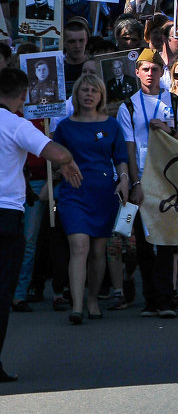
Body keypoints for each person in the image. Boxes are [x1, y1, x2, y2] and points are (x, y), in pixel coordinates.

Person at [0, 67, 83, 381]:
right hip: (6, 214)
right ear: (23, 95)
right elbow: (56, 152)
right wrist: (69, 161)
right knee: (1, 294)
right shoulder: (16, 123)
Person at [116, 49, 178, 317]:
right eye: (145, 69)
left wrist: (168, 130)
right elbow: (127, 147)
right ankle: (151, 299)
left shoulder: (175, 104)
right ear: (137, 72)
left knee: (165, 241)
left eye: (155, 69)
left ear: (163, 72)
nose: (150, 74)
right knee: (142, 241)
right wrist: (134, 182)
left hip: (170, 181)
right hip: (142, 179)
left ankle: (165, 299)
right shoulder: (127, 106)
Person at [52, 74, 129, 323]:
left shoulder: (111, 125)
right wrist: (62, 164)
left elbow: (120, 158)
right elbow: (54, 156)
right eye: (84, 90)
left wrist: (125, 179)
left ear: (101, 96)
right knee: (79, 247)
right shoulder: (64, 126)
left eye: (93, 91)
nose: (88, 95)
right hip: (74, 193)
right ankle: (76, 306)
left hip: (104, 192)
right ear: (76, 94)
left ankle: (93, 298)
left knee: (98, 251)